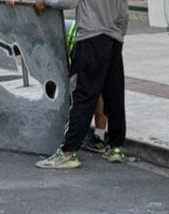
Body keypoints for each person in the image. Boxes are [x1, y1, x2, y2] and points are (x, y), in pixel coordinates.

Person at [29, 0, 129, 168]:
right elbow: (124, 13)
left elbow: (67, 1)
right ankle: (116, 148)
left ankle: (68, 152)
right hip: (114, 39)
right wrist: (117, 33)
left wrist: (45, 1)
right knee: (114, 94)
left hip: (90, 37)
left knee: (82, 95)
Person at [63, 18, 109, 154]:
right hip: (100, 39)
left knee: (81, 95)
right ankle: (99, 137)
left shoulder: (43, 32)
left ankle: (74, 139)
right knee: (98, 92)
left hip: (83, 45)